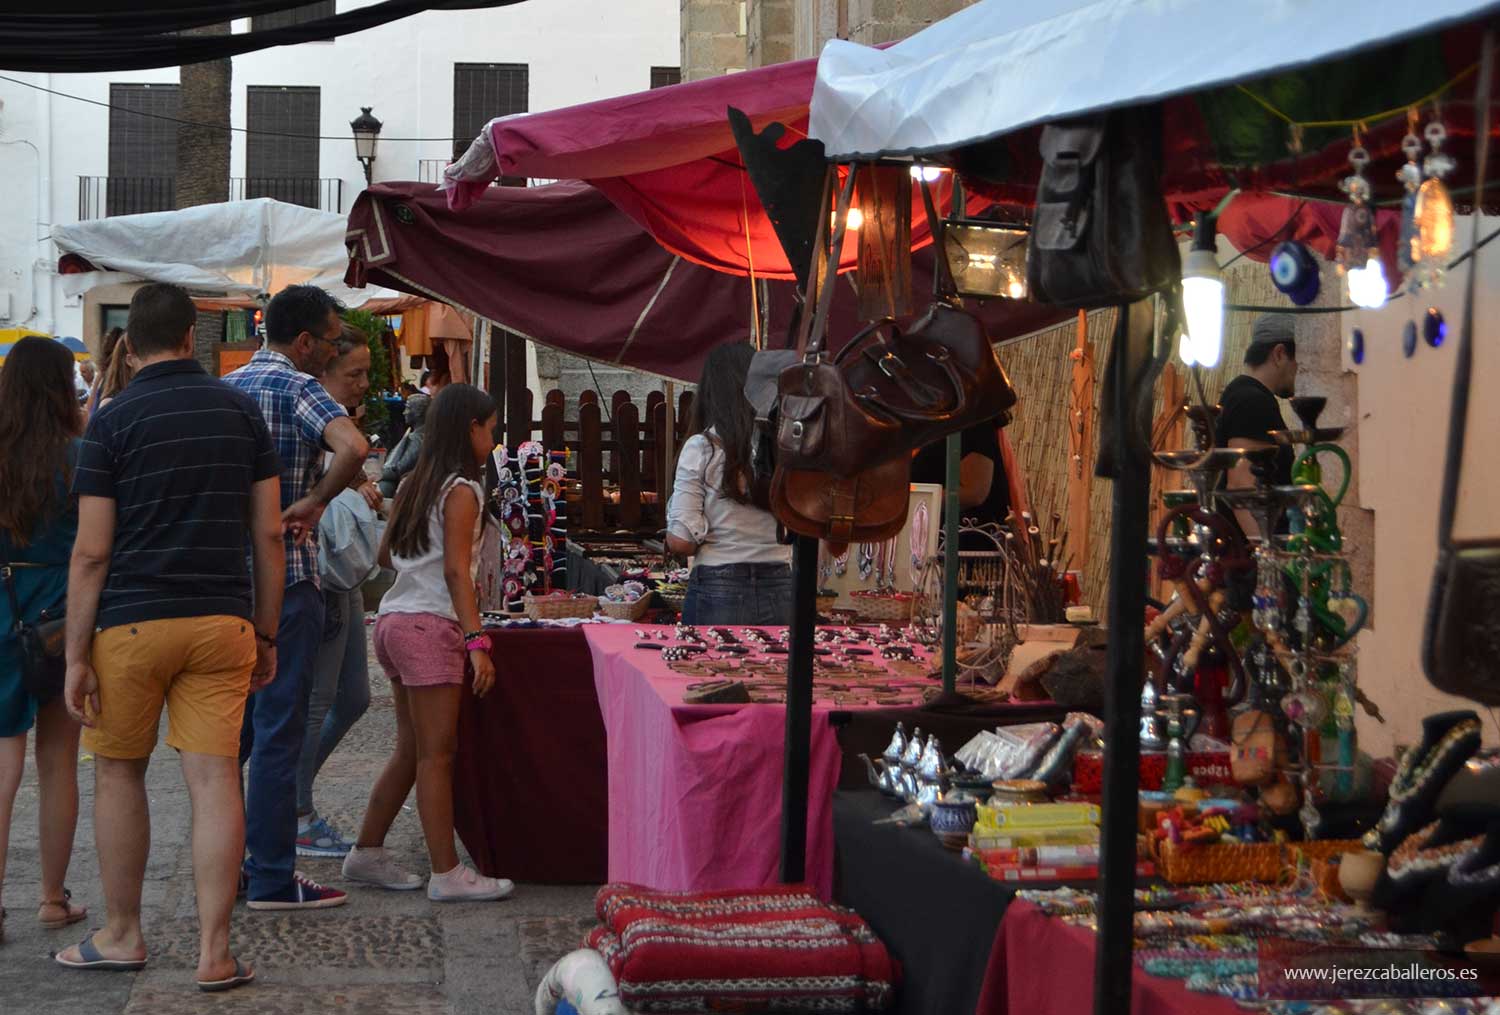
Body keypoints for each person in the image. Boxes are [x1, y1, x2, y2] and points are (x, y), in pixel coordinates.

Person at [56, 283, 285, 991]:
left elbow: (92, 551)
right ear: (193, 337)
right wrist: (268, 631)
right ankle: (215, 952)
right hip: (222, 621)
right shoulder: (241, 410)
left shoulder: (112, 421)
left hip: (130, 621)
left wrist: (73, 653)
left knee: (121, 771)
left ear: (132, 340)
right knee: (215, 777)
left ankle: (122, 932)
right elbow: (270, 533)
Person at [225, 285, 369, 912]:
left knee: (227, 740)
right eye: (333, 338)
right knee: (280, 732)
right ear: (304, 341)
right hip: (289, 577)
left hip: (227, 583)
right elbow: (355, 448)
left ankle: (224, 866)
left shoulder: (227, 389)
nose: (335, 348)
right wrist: (314, 501)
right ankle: (273, 876)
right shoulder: (299, 387)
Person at [342, 383, 512, 902]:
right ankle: (446, 872)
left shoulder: (418, 480)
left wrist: (424, 563)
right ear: (471, 429)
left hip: (394, 621)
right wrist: (476, 639)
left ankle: (366, 851)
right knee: (438, 754)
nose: (494, 436)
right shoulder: (463, 489)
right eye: (490, 428)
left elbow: (388, 555)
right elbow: (458, 573)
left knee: (412, 748)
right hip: (428, 626)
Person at [0, 337, 87, 947]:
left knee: (2, 762)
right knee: (59, 764)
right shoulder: (81, 457)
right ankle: (52, 899)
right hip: (62, 619)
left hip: (1, 612)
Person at [296, 326, 382, 857]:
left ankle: (291, 795)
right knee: (318, 699)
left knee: (354, 696)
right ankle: (296, 810)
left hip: (344, 571)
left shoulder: (340, 422)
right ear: (323, 372)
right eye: (354, 374)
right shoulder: (315, 420)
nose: (363, 384)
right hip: (321, 570)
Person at [665, 343, 792, 625]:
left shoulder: (702, 448)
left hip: (717, 584)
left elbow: (680, 541)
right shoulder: (784, 447)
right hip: (782, 584)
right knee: (774, 670)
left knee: (712, 668)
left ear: (710, 390)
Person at [1218, 313, 1298, 536]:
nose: (1301, 372)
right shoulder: (1252, 401)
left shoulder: (1241, 393)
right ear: (1280, 354)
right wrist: (1265, 554)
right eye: (1300, 362)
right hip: (1253, 557)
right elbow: (1241, 484)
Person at [910, 420, 1012, 530]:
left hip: (964, 536)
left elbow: (974, 494)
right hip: (929, 531)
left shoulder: (972, 425)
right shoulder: (934, 427)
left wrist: (911, 500)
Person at [379, 393, 430, 499]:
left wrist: (379, 473)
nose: (404, 412)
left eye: (407, 408)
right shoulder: (416, 434)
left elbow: (398, 470)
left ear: (418, 412)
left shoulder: (419, 439)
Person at [89, 326, 136, 417]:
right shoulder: (105, 373)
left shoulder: (104, 372)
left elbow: (91, 403)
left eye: (108, 338)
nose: (105, 342)